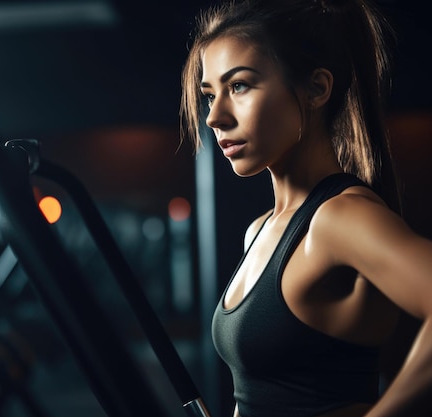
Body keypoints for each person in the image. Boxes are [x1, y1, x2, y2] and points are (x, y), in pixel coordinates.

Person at [179, 0, 432, 416]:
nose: (215, 117)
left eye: (239, 86)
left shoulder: (339, 218)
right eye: (210, 95)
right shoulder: (259, 229)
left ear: (316, 88)